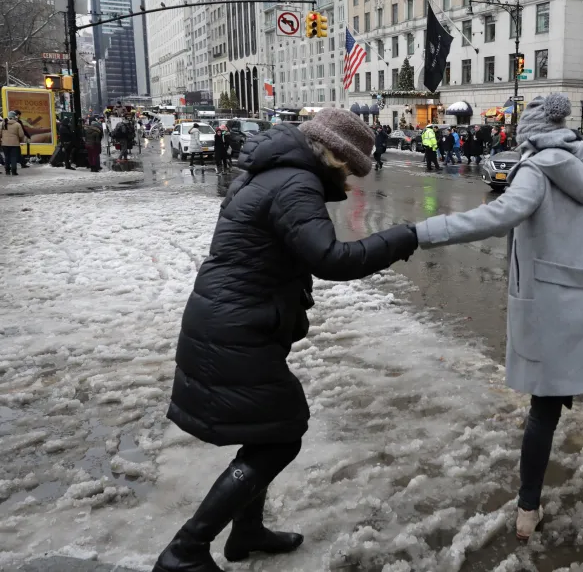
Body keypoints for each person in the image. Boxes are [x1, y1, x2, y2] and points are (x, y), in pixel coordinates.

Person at [152, 108, 418, 572]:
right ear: (334, 154)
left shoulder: (271, 174)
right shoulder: (296, 183)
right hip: (236, 325)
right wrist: (403, 237)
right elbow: (330, 258)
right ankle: (186, 549)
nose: (352, 180)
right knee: (282, 435)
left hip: (234, 318)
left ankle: (247, 532)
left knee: (266, 430)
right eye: (350, 169)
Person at [410, 94, 583, 540]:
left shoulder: (535, 171)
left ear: (529, 137)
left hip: (556, 310)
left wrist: (418, 233)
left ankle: (528, 509)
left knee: (544, 411)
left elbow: (499, 217)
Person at [1, 111, 27, 175]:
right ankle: (14, 171)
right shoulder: (17, 124)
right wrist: (20, 140)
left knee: (7, 157)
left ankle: (7, 171)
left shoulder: (3, 124)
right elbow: (21, 135)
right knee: (13, 157)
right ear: (14, 117)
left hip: (4, 144)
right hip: (15, 144)